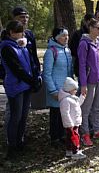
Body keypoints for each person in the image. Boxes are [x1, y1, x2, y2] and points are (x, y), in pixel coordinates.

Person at [0, 21, 41, 159]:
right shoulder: (6, 47)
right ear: (11, 32)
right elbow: (17, 69)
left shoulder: (21, 45)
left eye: (23, 32)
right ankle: (12, 146)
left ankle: (20, 142)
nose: (22, 34)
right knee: (15, 117)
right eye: (19, 32)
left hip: (26, 86)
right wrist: (31, 80)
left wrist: (36, 77)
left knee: (24, 116)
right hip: (16, 86)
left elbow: (30, 63)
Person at [78, 19, 99, 146]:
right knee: (86, 109)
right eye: (98, 28)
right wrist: (83, 84)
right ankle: (85, 133)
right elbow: (81, 64)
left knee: (97, 107)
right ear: (90, 28)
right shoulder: (84, 43)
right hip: (89, 81)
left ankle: (97, 130)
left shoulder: (98, 43)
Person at [42, 28, 73, 147]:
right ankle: (55, 138)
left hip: (66, 90)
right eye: (63, 36)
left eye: (67, 35)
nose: (66, 38)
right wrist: (53, 90)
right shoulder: (51, 52)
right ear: (56, 37)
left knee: (64, 113)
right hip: (55, 90)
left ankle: (62, 136)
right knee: (55, 114)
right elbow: (47, 73)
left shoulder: (67, 50)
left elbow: (69, 71)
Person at [58, 77, 86, 160]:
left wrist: (82, 97)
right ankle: (75, 152)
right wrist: (69, 124)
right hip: (71, 124)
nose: (76, 91)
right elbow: (65, 113)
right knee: (74, 137)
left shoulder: (72, 98)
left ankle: (69, 150)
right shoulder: (66, 100)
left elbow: (77, 104)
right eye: (74, 89)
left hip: (74, 122)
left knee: (70, 137)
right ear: (69, 90)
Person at [69, 13, 95, 77]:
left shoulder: (95, 34)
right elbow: (73, 51)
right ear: (85, 21)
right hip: (81, 66)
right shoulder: (77, 34)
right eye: (89, 21)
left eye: (93, 21)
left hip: (94, 69)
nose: (90, 23)